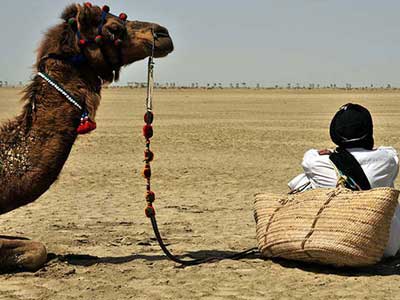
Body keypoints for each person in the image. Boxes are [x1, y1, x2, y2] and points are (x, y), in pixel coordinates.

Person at [288, 103, 400, 257]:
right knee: (388, 192)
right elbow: (388, 150)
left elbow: (310, 154)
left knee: (303, 181)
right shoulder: (388, 160)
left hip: (332, 242)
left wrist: (332, 153)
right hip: (385, 247)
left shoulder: (316, 162)